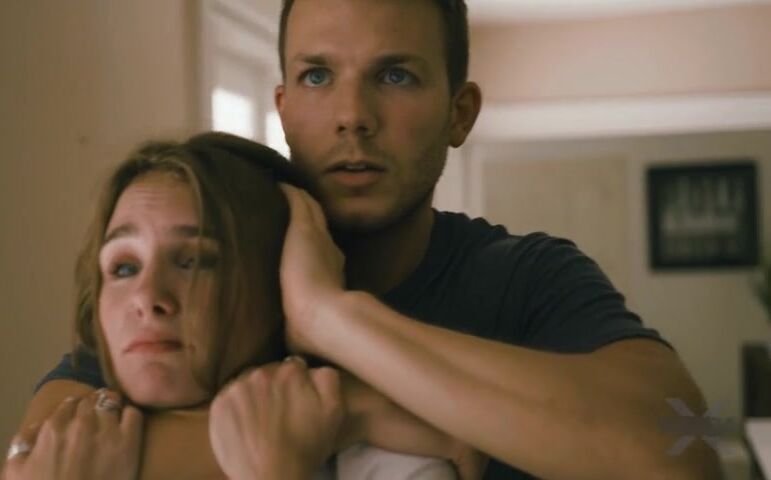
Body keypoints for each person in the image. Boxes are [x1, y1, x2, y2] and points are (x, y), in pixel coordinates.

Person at [12, 0, 721, 478]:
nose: (352, 115)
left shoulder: (526, 277)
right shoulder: (196, 275)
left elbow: (685, 445)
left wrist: (331, 317)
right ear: (283, 108)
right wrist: (360, 411)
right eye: (317, 75)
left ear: (459, 112)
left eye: (395, 75)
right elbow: (35, 460)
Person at [3, 132, 476, 480]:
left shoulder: (388, 465)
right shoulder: (63, 445)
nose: (148, 298)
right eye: (124, 267)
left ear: (280, 286)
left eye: (194, 261)